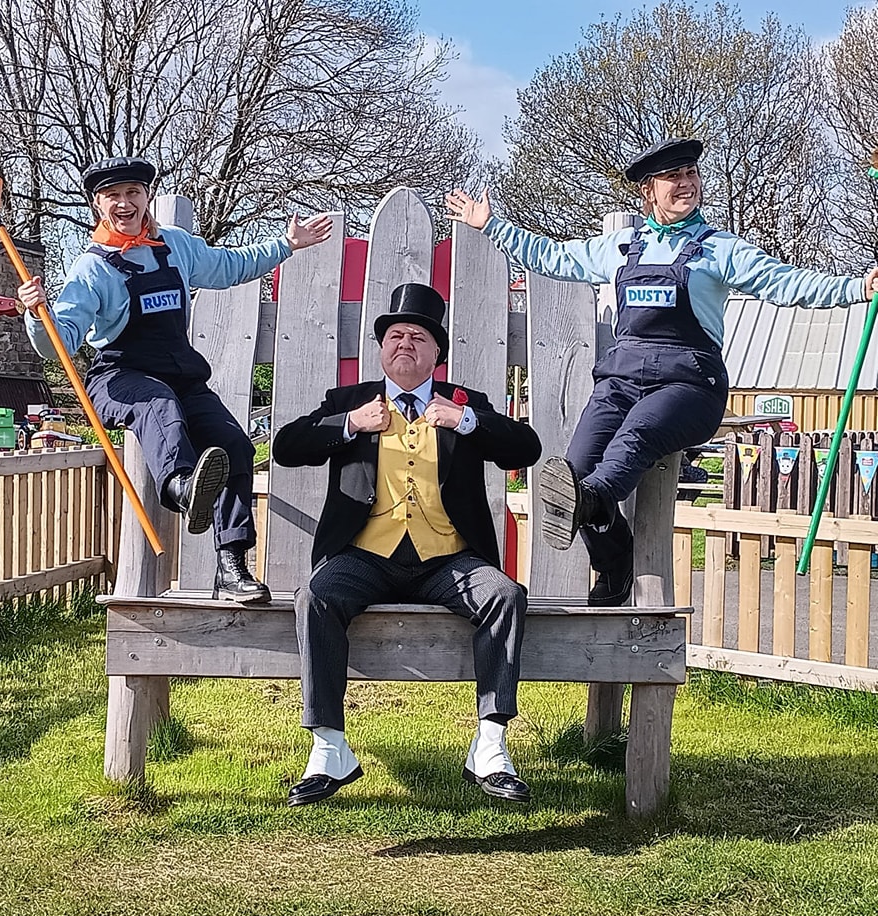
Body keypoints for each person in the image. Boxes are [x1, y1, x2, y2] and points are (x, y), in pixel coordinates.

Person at [446, 138, 878, 606]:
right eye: (674, 177)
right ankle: (614, 562)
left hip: (688, 383)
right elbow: (554, 258)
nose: (686, 183)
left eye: (692, 173)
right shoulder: (621, 248)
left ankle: (594, 499)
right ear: (649, 190)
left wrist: (857, 287)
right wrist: (492, 225)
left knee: (636, 434)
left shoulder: (720, 250)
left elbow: (786, 282)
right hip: (621, 378)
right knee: (575, 469)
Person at [272, 282, 542, 806]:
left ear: (437, 353)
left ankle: (490, 747)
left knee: (506, 595)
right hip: (365, 557)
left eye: (418, 337)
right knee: (316, 596)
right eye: (395, 335)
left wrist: (465, 421)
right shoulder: (350, 402)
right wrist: (350, 424)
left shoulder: (464, 403)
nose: (405, 344)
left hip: (449, 561)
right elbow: (286, 447)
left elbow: (525, 449)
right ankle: (329, 748)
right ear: (380, 348)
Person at [17, 156, 332, 602]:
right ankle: (182, 488)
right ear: (97, 204)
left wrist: (286, 244)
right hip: (120, 377)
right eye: (113, 196)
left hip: (182, 375)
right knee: (158, 403)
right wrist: (36, 314)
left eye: (133, 192)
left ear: (146, 197)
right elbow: (59, 343)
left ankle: (232, 567)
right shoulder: (92, 269)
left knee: (235, 443)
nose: (124, 203)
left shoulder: (176, 246)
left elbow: (230, 265)